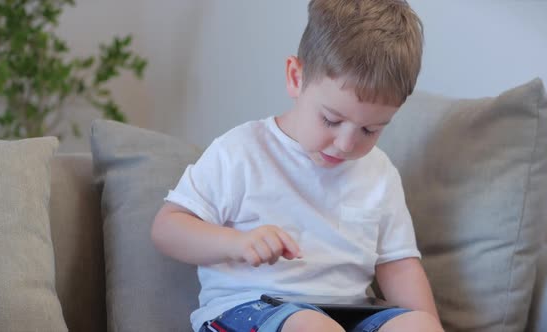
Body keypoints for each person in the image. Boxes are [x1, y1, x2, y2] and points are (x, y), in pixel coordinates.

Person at [151, 1, 444, 331]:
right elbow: (167, 228)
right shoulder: (241, 151)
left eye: (370, 130)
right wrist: (235, 243)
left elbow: (399, 265)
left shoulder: (380, 173)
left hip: (349, 315)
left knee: (418, 325)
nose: (347, 144)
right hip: (250, 307)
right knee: (310, 325)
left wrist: (429, 324)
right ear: (295, 77)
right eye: (331, 119)